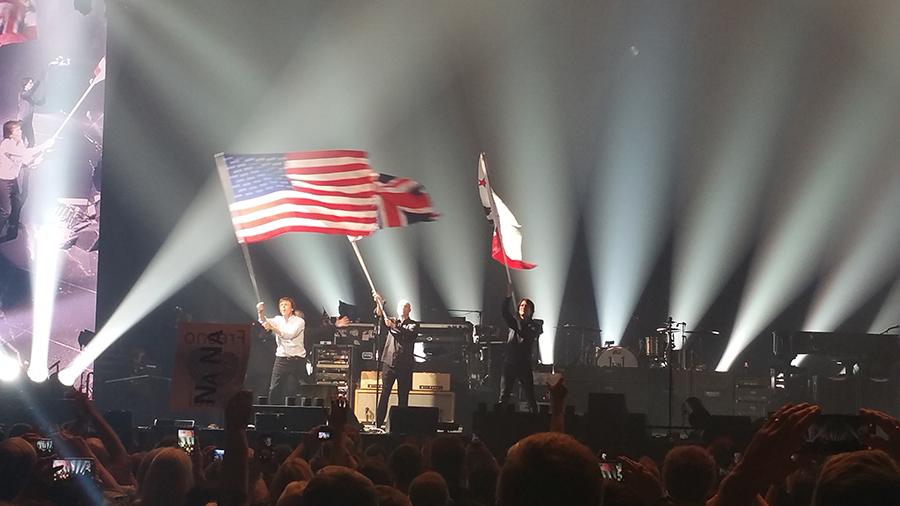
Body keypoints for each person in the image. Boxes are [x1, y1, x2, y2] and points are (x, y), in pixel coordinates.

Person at [256, 297, 348, 405]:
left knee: (305, 386)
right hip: (282, 359)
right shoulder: (278, 319)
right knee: (274, 388)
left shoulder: (299, 321)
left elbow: (288, 335)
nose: (283, 307)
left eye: (286, 305)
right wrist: (260, 311)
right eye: (281, 305)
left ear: (292, 308)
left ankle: (310, 408)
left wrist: (272, 328)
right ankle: (271, 412)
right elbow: (263, 320)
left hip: (297, 360)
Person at [0, 120, 52, 243]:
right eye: (17, 130)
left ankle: (12, 231)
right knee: (6, 212)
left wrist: (38, 159)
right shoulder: (6, 144)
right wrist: (45, 145)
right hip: (3, 182)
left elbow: (25, 160)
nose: (21, 131)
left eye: (20, 129)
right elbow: (24, 154)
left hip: (13, 180)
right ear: (10, 134)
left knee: (17, 205)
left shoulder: (20, 142)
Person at [373, 293, 418, 428]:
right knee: (384, 394)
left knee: (403, 396)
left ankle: (400, 425)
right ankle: (379, 423)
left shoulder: (414, 325)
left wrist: (392, 326)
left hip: (405, 366)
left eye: (406, 307)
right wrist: (379, 302)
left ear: (409, 310)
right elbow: (379, 315)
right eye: (401, 307)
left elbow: (406, 334)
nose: (403, 309)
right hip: (389, 363)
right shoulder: (391, 320)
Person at [497, 283, 542, 413]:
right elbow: (505, 313)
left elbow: (527, 335)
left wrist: (520, 325)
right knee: (504, 394)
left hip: (524, 364)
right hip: (510, 362)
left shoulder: (535, 326)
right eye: (521, 305)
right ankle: (499, 419)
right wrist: (507, 297)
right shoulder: (515, 322)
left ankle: (536, 420)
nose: (523, 308)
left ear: (531, 310)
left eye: (526, 306)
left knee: (529, 395)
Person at [17, 77, 43, 148]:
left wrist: (42, 100)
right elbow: (31, 92)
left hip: (28, 122)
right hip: (22, 121)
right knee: (21, 141)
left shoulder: (30, 95)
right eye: (30, 83)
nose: (32, 84)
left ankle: (26, 155)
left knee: (31, 142)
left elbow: (38, 103)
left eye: (32, 83)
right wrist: (39, 81)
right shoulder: (23, 93)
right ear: (25, 85)